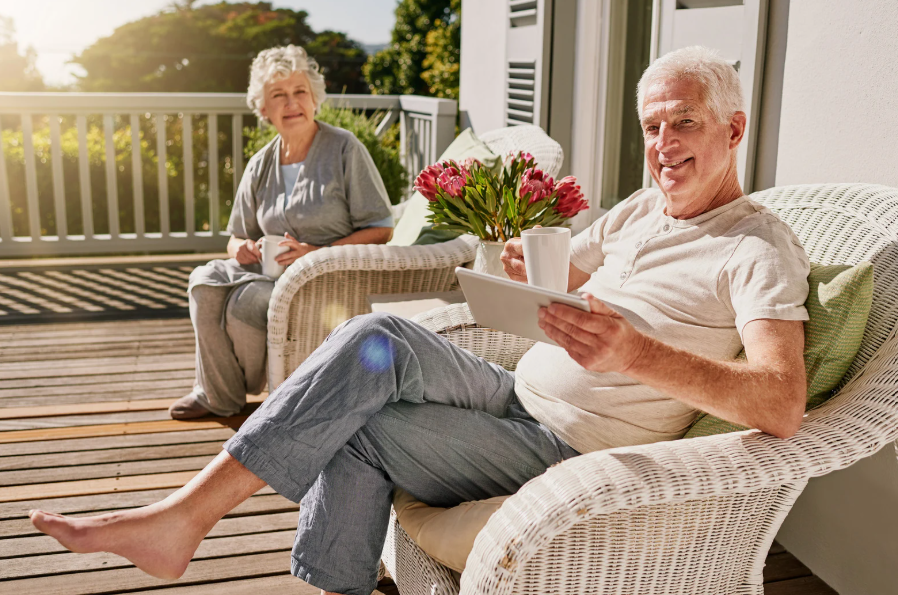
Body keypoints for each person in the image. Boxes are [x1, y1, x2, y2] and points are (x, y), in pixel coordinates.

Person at [29, 46, 810, 595]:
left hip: (567, 443)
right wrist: (522, 268)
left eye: (683, 123)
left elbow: (781, 400)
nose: (663, 145)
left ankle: (188, 523)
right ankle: (186, 519)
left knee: (355, 420)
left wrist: (636, 353)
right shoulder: (644, 208)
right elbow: (567, 275)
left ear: (733, 129)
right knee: (371, 341)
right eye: (651, 127)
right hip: (512, 387)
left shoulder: (756, 248)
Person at [169, 45, 395, 420]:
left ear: (314, 98)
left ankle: (242, 391)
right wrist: (242, 248)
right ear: (264, 109)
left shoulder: (344, 149)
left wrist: (316, 251)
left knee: (246, 302)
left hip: (326, 276)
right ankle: (217, 394)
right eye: (278, 95)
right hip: (270, 272)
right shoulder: (261, 163)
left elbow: (381, 229)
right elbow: (235, 237)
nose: (291, 103)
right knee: (203, 283)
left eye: (299, 91)